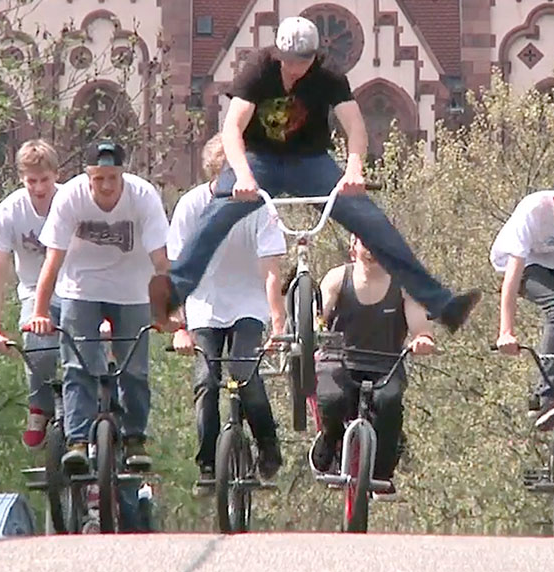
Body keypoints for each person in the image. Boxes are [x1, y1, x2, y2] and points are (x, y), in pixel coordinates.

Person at [147, 16, 481, 335]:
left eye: (302, 61)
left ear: (314, 57)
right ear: (277, 54)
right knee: (217, 214)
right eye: (288, 60)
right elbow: (232, 128)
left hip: (310, 162)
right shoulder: (259, 68)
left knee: (371, 222)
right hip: (258, 159)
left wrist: (353, 170)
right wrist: (244, 176)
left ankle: (441, 304)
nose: (294, 68)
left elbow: (355, 128)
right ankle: (173, 293)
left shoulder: (329, 77)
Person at [23, 141, 169, 474]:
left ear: (123, 175)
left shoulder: (143, 197)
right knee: (78, 366)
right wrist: (40, 312)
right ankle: (76, 440)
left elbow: (161, 261)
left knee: (134, 370)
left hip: (132, 289)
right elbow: (53, 260)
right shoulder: (71, 197)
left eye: (112, 178)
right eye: (98, 178)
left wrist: (170, 313)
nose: (105, 186)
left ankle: (135, 438)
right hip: (81, 288)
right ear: (88, 176)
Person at [168, 133, 287, 493]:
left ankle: (268, 446)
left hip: (248, 305)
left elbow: (270, 271)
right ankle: (207, 465)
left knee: (245, 373)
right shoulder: (191, 207)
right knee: (206, 381)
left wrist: (278, 322)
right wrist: (179, 326)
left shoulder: (261, 208)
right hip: (204, 305)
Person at [310, 234, 438, 498]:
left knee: (389, 403)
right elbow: (316, 318)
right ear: (353, 247)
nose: (372, 250)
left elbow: (419, 326)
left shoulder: (403, 286)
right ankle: (329, 440)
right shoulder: (337, 279)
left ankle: (382, 473)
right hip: (338, 362)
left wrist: (423, 339)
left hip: (386, 365)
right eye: (365, 242)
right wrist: (314, 329)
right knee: (333, 400)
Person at [490, 170, 554, 429]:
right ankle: (548, 394)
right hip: (524, 263)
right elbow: (512, 280)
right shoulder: (534, 210)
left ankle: (547, 388)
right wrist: (506, 332)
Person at [0, 139, 64, 449]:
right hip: (33, 293)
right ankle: (39, 408)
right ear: (21, 178)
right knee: (38, 347)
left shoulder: (71, 201)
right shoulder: (10, 211)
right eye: (32, 181)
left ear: (56, 175)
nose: (39, 188)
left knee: (90, 350)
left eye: (45, 180)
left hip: (75, 289)